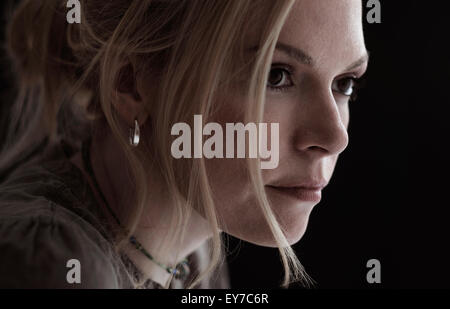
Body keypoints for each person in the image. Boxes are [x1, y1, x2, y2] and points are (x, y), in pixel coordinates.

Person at [0, 0, 368, 289]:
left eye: (345, 83)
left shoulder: (193, 247)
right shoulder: (54, 268)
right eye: (276, 75)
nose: (336, 137)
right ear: (130, 84)